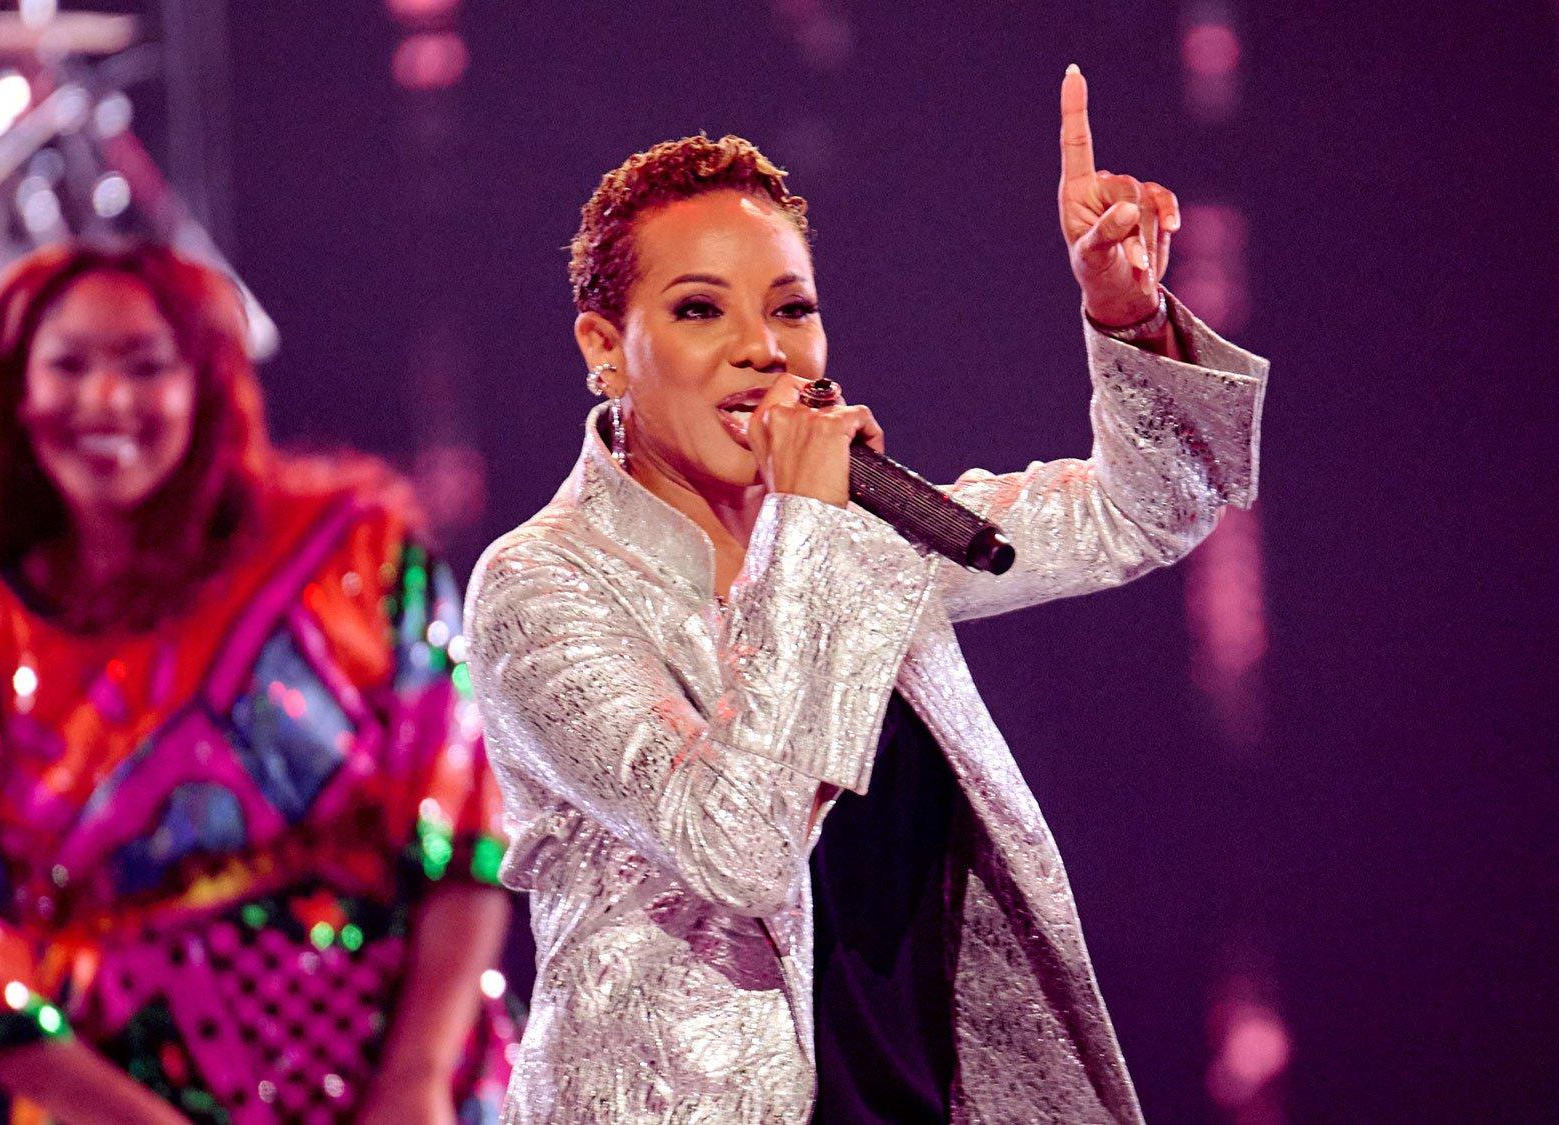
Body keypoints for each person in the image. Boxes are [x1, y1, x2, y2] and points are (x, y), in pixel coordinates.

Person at [465, 67, 1269, 1124]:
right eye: (699, 308)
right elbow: (737, 847)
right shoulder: (539, 587)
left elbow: (1148, 508)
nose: (762, 345)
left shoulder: (859, 535)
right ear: (605, 349)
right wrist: (808, 526)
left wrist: (1122, 313)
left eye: (790, 308)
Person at [0, 242, 513, 1125]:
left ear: (206, 387)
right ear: (18, 393)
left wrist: (416, 1080)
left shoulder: (357, 560)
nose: (106, 400)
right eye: (68, 366)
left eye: (145, 366)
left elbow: (472, 841)